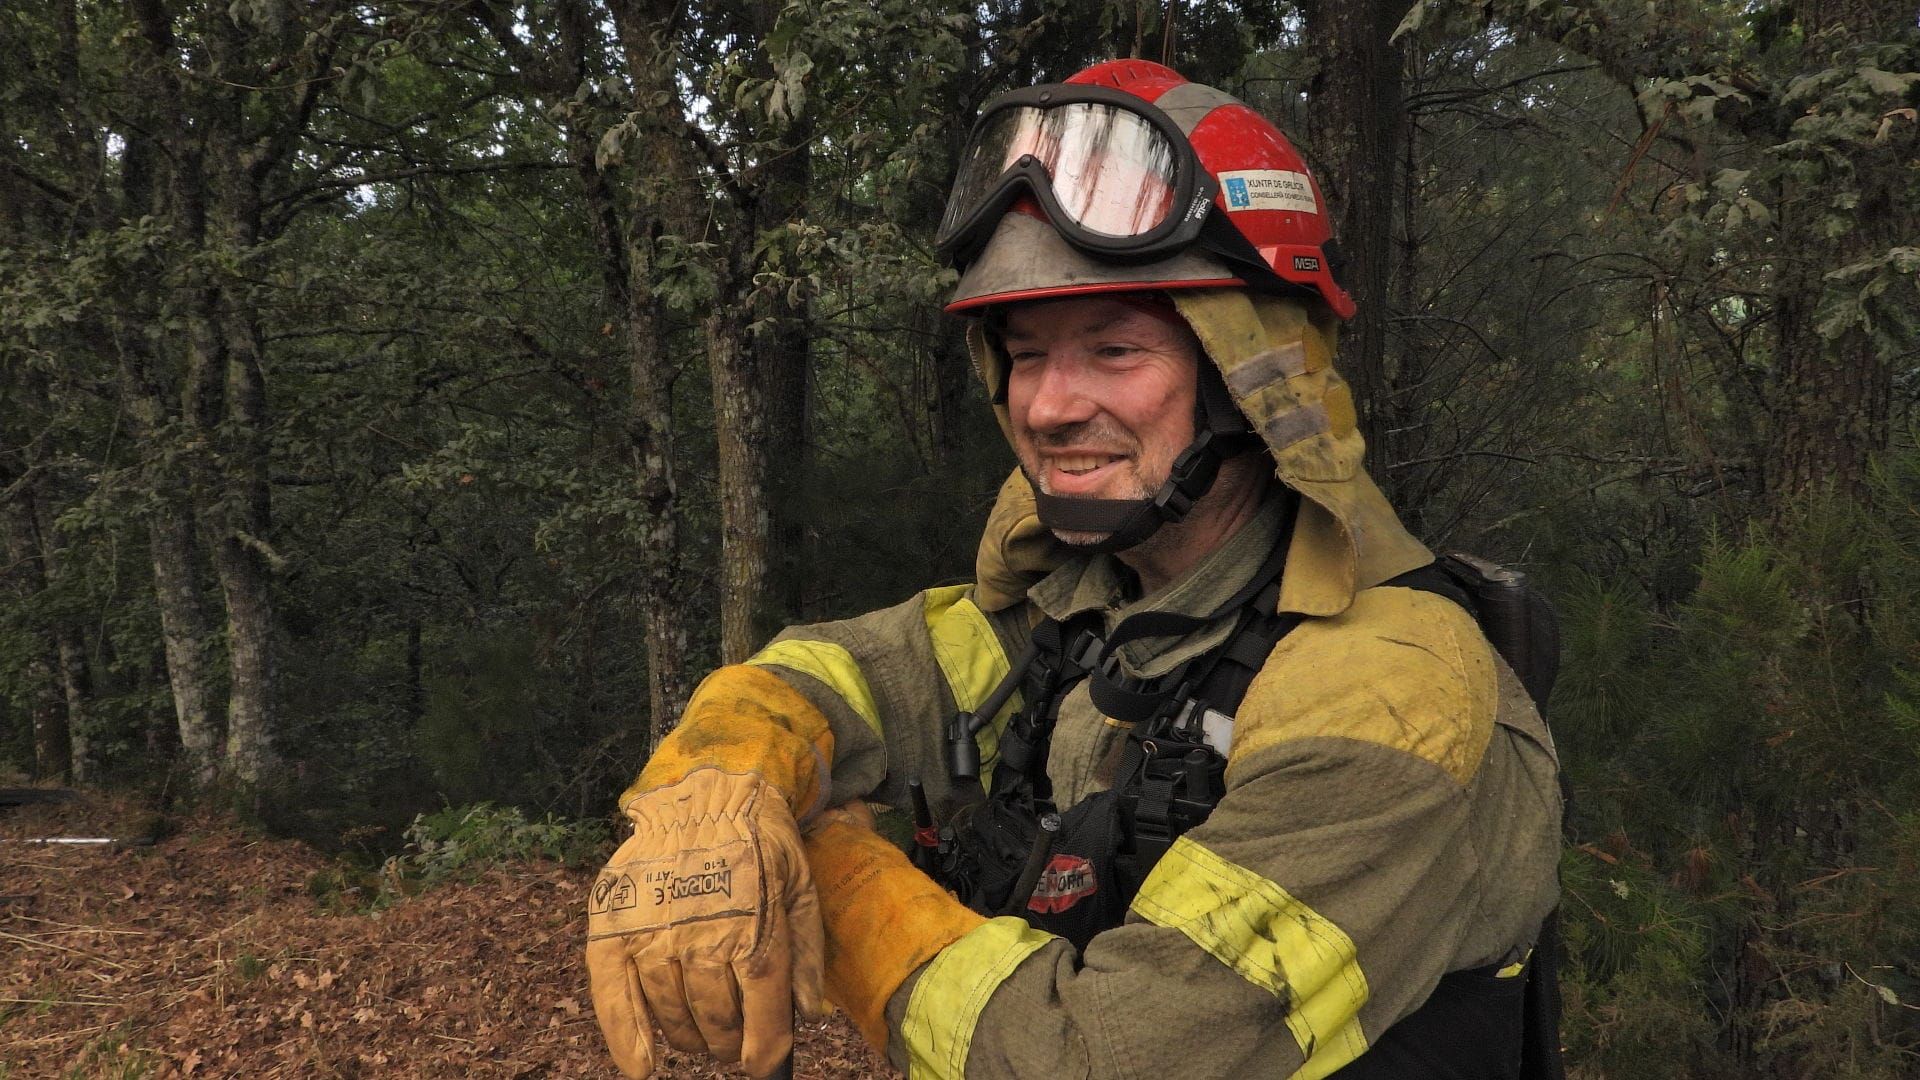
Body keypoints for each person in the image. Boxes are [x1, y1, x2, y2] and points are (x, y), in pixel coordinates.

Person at [585, 59, 1564, 1080]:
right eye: (1029, 351)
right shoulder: (1097, 612)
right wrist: (722, 773)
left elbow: (1092, 1061)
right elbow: (848, 674)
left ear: (1252, 378)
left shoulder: (1389, 697)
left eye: (1112, 350)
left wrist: (826, 871)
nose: (1049, 406)